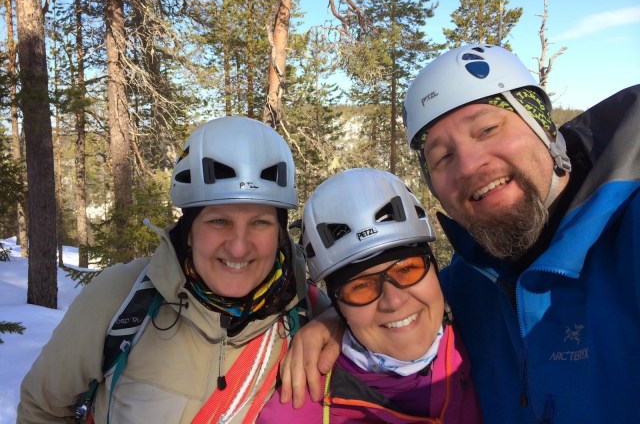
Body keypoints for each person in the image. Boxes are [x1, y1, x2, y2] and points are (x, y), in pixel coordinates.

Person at [281, 44, 640, 423]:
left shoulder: (628, 234)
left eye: (487, 129)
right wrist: (338, 320)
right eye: (442, 157)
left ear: (544, 128)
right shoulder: (466, 287)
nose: (469, 165)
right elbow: (397, 300)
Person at [18, 116, 328, 424]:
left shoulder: (309, 315)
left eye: (260, 222)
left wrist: (333, 325)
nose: (238, 247)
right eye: (219, 221)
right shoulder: (121, 297)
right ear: (189, 231)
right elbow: (43, 411)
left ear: (279, 233)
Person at [258, 168, 482, 423]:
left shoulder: (484, 329)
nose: (394, 301)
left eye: (407, 269)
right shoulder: (299, 411)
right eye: (361, 286)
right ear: (339, 306)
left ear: (434, 268)